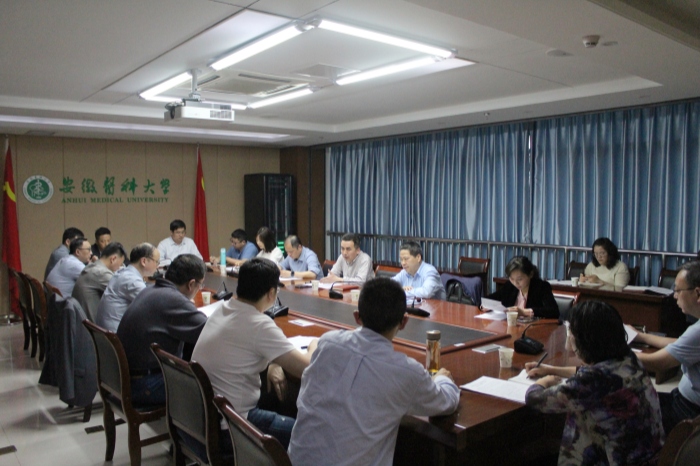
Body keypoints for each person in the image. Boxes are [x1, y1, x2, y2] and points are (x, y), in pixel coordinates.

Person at [288, 278, 460, 465]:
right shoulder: (405, 371)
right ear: (404, 322)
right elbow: (446, 402)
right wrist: (442, 379)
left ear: (357, 317)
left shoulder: (328, 343)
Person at [192, 258, 318, 449]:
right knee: (312, 434)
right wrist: (315, 345)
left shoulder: (223, 308)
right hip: (233, 426)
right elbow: (308, 368)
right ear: (271, 293)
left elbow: (248, 347)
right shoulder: (259, 324)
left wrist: (274, 362)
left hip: (203, 419)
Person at [525, 300, 663, 465]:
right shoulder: (628, 359)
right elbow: (589, 373)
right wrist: (552, 370)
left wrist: (543, 382)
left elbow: (535, 399)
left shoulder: (592, 381)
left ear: (585, 340)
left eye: (571, 333)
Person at [116, 254, 207, 405]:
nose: (199, 289)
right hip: (144, 384)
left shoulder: (151, 289)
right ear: (191, 284)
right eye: (200, 285)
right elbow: (209, 331)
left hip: (126, 377)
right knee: (208, 388)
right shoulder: (173, 299)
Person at [633, 261, 700, 434]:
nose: (674, 296)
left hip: (688, 410)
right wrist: (641, 336)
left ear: (697, 293)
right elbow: (681, 344)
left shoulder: (698, 331)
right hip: (684, 400)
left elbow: (657, 363)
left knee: (628, 408)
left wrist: (611, 351)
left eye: (677, 290)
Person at [96, 243, 160, 332]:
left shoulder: (123, 272)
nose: (158, 266)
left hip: (108, 332)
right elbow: (154, 307)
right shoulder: (131, 280)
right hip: (116, 335)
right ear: (144, 261)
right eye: (157, 262)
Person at [487, 256, 558, 318]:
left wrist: (524, 312)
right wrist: (485, 305)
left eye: (519, 279)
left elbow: (554, 311)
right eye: (512, 279)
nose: (515, 283)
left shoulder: (541, 287)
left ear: (531, 274)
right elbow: (492, 298)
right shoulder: (510, 286)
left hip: (532, 327)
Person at [72, 242, 126, 321]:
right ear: (113, 259)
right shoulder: (101, 273)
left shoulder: (92, 266)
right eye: (120, 264)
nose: (119, 268)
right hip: (92, 325)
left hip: (82, 321)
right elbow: (124, 292)